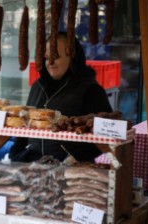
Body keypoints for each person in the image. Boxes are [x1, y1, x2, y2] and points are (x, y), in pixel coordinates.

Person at [9, 32, 113, 163]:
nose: (50, 63)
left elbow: (106, 134)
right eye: (46, 58)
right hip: (33, 165)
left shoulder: (91, 90)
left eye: (56, 57)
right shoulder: (38, 86)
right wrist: (15, 152)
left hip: (70, 171)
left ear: (73, 57)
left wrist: (74, 158)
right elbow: (27, 122)